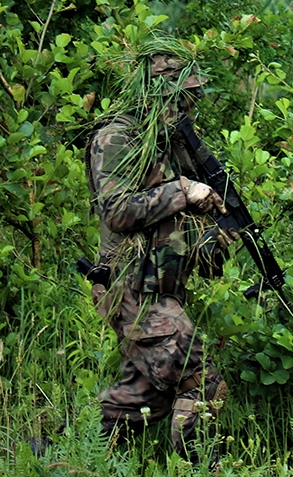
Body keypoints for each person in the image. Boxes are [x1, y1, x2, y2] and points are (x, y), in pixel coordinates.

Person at [85, 41, 236, 461]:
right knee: (199, 379)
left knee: (138, 402)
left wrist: (217, 238)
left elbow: (180, 231)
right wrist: (183, 191)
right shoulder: (116, 137)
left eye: (194, 96)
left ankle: (65, 455)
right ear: (158, 92)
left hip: (164, 287)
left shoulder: (174, 141)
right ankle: (201, 468)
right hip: (130, 286)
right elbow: (117, 211)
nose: (191, 105)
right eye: (183, 95)